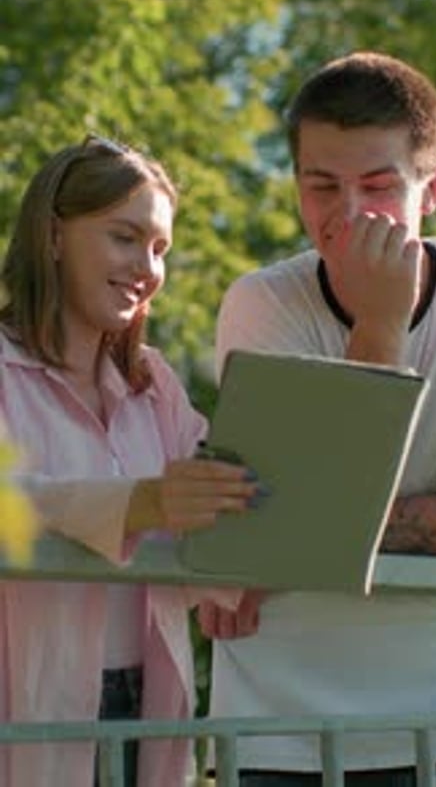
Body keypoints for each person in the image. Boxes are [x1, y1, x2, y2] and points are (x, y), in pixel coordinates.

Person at [198, 51, 436, 786]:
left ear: (433, 189)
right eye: (321, 186)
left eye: (377, 185)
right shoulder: (261, 302)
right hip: (279, 729)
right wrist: (381, 329)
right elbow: (276, 531)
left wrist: (304, 530)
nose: (347, 213)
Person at [0, 133, 264, 787]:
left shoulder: (155, 384)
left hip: (142, 709)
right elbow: (13, 504)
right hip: (22, 705)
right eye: (125, 236)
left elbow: (211, 498)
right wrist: (143, 503)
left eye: (159, 248)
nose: (147, 266)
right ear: (54, 235)